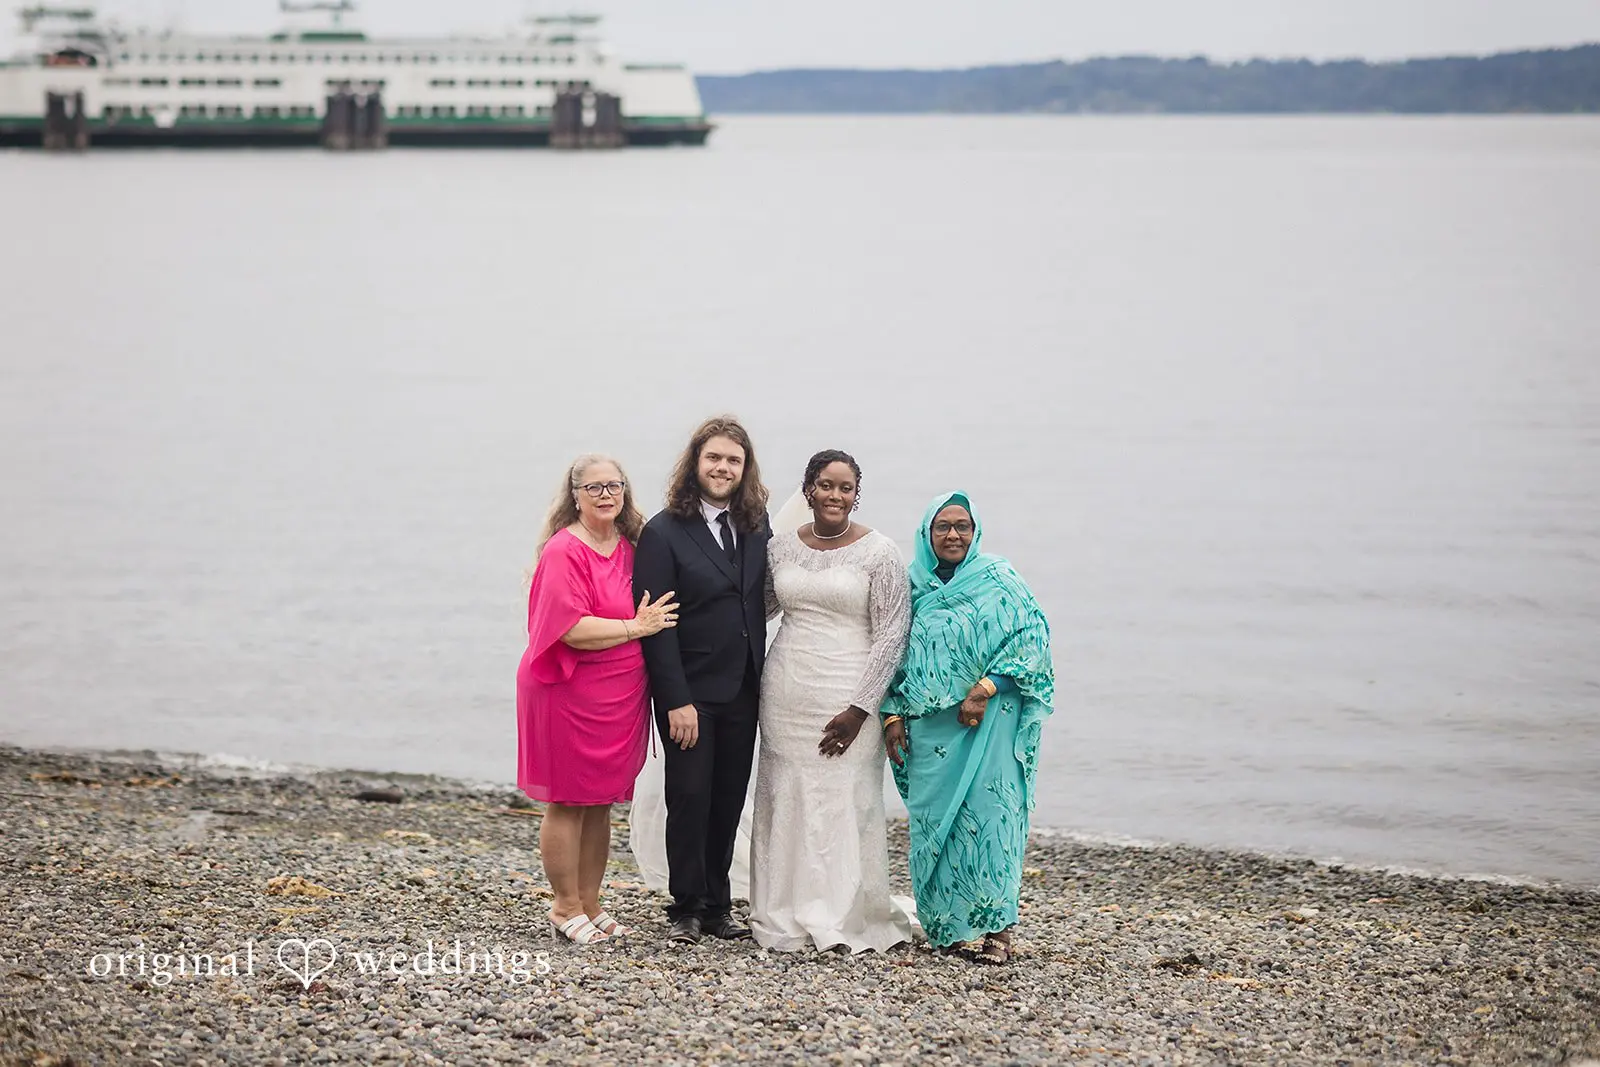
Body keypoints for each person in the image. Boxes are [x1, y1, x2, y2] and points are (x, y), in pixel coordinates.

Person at [749, 450, 916, 952]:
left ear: (856, 494)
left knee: (843, 797)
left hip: (849, 692)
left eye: (845, 488)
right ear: (808, 490)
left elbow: (891, 635)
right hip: (785, 692)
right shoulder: (781, 548)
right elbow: (758, 607)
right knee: (786, 795)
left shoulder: (879, 553)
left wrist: (861, 708)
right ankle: (783, 908)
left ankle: (839, 914)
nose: (835, 496)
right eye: (826, 485)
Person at [880, 492, 1055, 965]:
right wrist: (891, 715)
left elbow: (1032, 640)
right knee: (934, 826)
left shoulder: (999, 579)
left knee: (994, 819)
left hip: (989, 723)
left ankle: (999, 931)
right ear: (926, 534)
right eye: (943, 526)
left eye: (963, 526)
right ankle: (947, 928)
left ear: (976, 532)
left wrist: (985, 688)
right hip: (928, 729)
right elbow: (890, 651)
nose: (953, 535)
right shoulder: (910, 585)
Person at [516, 454, 679, 945]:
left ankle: (590, 902)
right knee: (568, 801)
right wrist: (636, 627)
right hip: (567, 689)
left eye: (614, 485)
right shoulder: (564, 551)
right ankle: (564, 906)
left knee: (600, 802)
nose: (606, 495)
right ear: (576, 496)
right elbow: (570, 629)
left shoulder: (631, 548)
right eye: (594, 488)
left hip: (620, 692)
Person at [633, 416, 772, 945]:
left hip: (743, 688)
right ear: (695, 463)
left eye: (734, 460)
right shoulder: (663, 532)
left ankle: (718, 906)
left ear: (745, 468)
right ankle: (686, 907)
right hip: (689, 693)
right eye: (714, 457)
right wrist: (675, 700)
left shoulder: (755, 525)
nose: (723, 468)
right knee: (689, 797)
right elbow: (656, 625)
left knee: (727, 800)